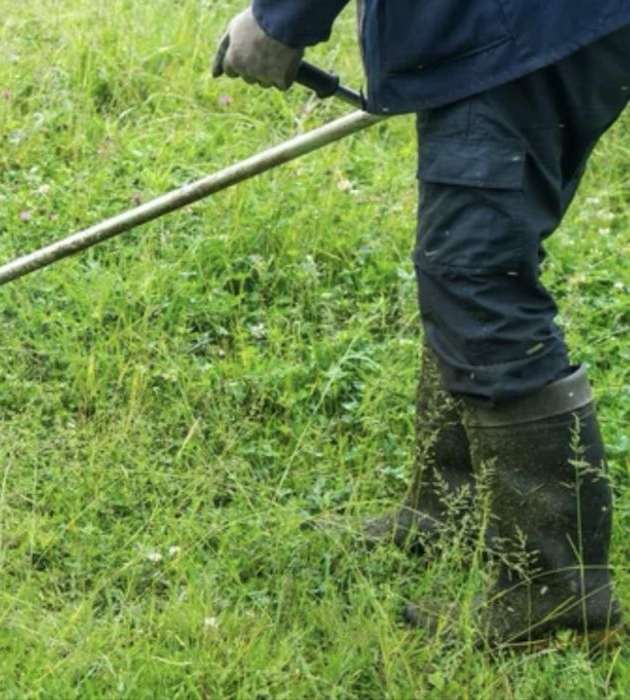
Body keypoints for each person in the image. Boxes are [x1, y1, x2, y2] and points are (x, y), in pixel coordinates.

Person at [213, 1, 630, 647]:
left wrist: (282, 18)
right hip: (516, 26)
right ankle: (450, 508)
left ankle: (555, 591)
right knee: (465, 266)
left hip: (513, 23)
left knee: (477, 275)